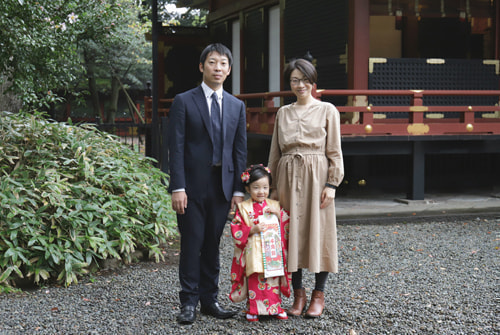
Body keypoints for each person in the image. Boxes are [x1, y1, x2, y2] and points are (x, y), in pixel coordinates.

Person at [167, 43, 247, 325]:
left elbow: (240, 151)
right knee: (192, 243)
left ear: (229, 69)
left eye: (224, 63)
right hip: (191, 187)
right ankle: (188, 302)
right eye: (212, 62)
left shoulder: (237, 106)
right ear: (202, 67)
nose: (218, 68)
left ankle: (210, 299)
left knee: (212, 244)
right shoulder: (184, 101)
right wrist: (177, 187)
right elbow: (175, 148)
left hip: (222, 186)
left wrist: (238, 190)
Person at [267, 58, 344, 318]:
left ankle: (318, 295)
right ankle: (298, 294)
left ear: (313, 81)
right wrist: (273, 188)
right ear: (289, 83)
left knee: (319, 233)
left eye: (305, 79)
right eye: (295, 80)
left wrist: (332, 184)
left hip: (317, 176)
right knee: (291, 235)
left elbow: (334, 150)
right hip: (288, 177)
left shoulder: (327, 110)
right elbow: (274, 153)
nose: (300, 85)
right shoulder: (283, 113)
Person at [228, 165, 291, 322]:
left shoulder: (275, 205)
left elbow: (286, 224)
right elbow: (236, 227)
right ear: (248, 188)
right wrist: (252, 229)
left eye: (265, 187)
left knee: (273, 278)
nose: (261, 191)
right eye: (256, 188)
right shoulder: (243, 208)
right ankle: (254, 309)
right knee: (255, 278)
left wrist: (279, 214)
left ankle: (275, 307)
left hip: (272, 248)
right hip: (253, 250)